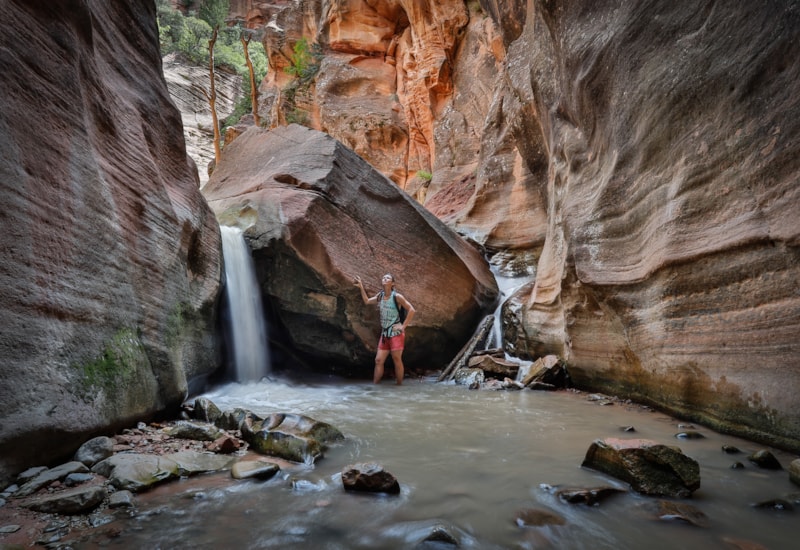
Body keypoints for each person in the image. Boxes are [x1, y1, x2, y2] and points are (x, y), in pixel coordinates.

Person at [354, 273, 416, 384]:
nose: (384, 279)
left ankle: (398, 386)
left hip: (396, 333)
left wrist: (403, 326)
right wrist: (361, 287)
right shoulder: (381, 296)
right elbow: (367, 301)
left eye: (387, 278)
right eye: (383, 277)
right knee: (378, 360)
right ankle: (375, 386)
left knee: (396, 360)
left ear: (392, 283)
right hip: (385, 334)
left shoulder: (397, 297)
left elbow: (412, 310)